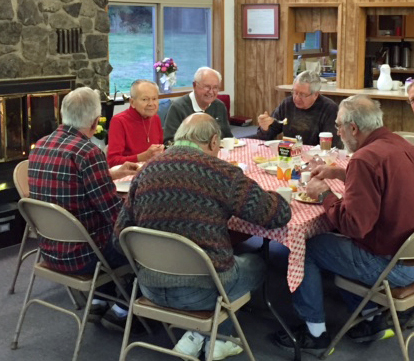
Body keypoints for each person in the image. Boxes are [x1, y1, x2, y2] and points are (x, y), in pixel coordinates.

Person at [113, 113, 291, 360]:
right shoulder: (222, 173)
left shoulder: (145, 172)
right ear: (214, 141)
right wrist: (282, 196)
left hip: (148, 286)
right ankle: (218, 340)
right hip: (203, 292)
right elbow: (277, 215)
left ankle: (199, 335)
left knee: (219, 259)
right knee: (257, 263)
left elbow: (119, 238)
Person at [274, 95, 414, 355]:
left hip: (392, 266)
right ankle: (371, 318)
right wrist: (340, 173)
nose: (337, 132)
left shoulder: (364, 158)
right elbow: (383, 181)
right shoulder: (401, 144)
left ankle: (315, 333)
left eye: (338, 126)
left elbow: (353, 226)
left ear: (354, 128)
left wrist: (324, 194)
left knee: (306, 247)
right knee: (337, 242)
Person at [28, 87, 140, 331]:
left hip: (49, 249)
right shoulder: (88, 152)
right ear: (94, 121)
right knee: (138, 238)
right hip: (84, 256)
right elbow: (114, 213)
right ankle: (121, 309)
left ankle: (100, 299)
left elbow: (70, 183)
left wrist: (112, 173)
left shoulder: (40, 145)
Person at [256, 70, 341, 147]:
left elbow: (332, 145)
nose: (296, 98)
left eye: (302, 95)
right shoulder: (287, 104)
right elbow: (266, 137)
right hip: (289, 155)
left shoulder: (329, 109)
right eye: (295, 92)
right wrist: (265, 128)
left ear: (315, 95)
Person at [163, 67, 233, 143]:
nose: (211, 92)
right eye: (207, 87)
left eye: (215, 88)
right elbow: (169, 142)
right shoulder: (178, 108)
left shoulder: (219, 106)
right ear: (194, 85)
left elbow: (227, 136)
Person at [107, 79, 164, 167]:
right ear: (132, 102)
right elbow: (112, 161)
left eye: (154, 99)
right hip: (129, 174)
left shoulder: (156, 118)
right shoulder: (119, 121)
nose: (151, 104)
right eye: (145, 99)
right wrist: (142, 157)